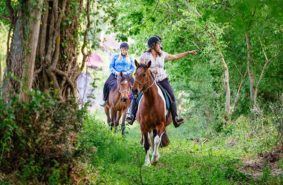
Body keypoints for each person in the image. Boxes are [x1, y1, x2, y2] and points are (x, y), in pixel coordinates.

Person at [126, 36, 197, 127]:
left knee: (171, 96)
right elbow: (141, 68)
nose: (160, 45)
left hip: (162, 79)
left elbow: (175, 57)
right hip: (149, 82)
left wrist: (188, 52)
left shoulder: (162, 54)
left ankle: (175, 117)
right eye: (158, 44)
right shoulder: (145, 56)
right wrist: (150, 71)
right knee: (136, 95)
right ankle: (131, 115)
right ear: (153, 45)